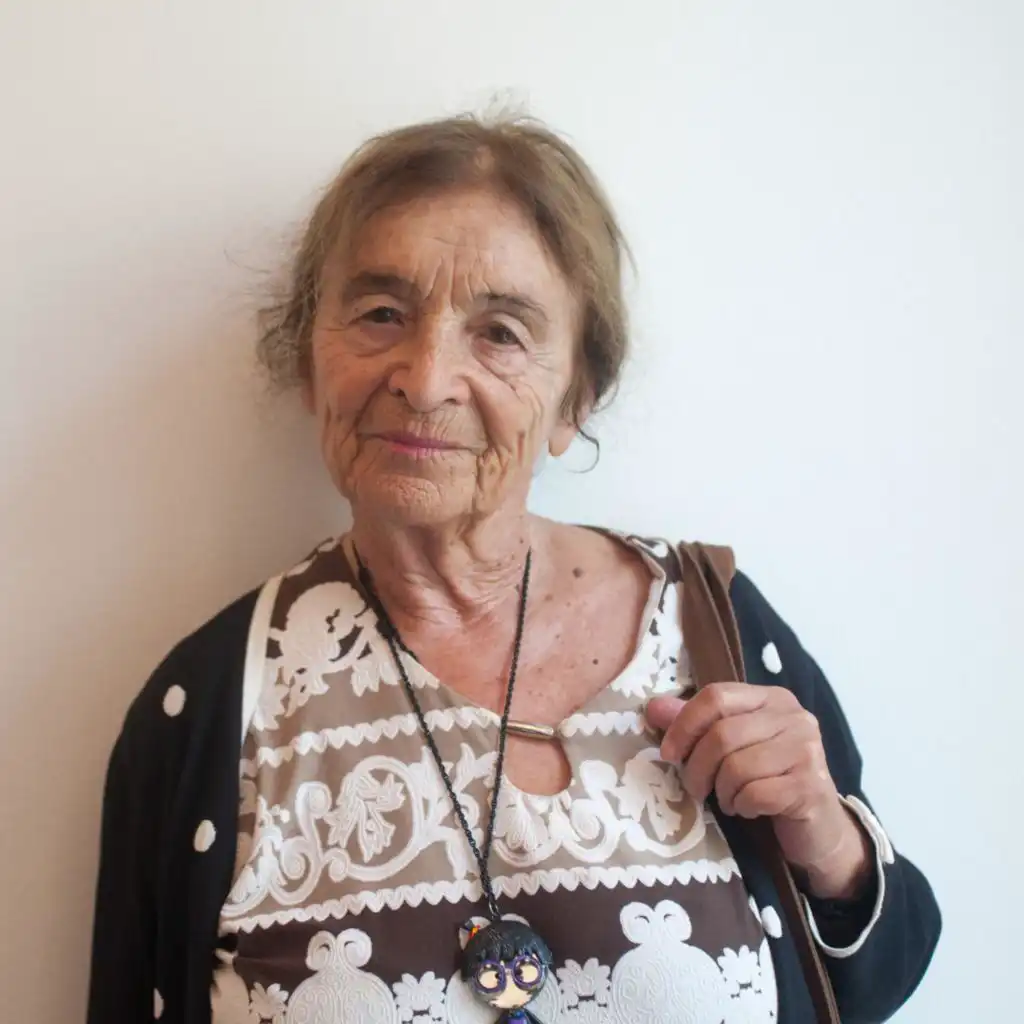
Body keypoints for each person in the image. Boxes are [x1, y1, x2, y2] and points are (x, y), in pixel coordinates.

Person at [87, 114, 940, 1024]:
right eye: (381, 314)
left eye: (498, 332)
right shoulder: (211, 708)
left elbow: (877, 977)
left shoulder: (714, 627)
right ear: (310, 362)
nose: (425, 379)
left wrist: (827, 839)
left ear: (576, 399)